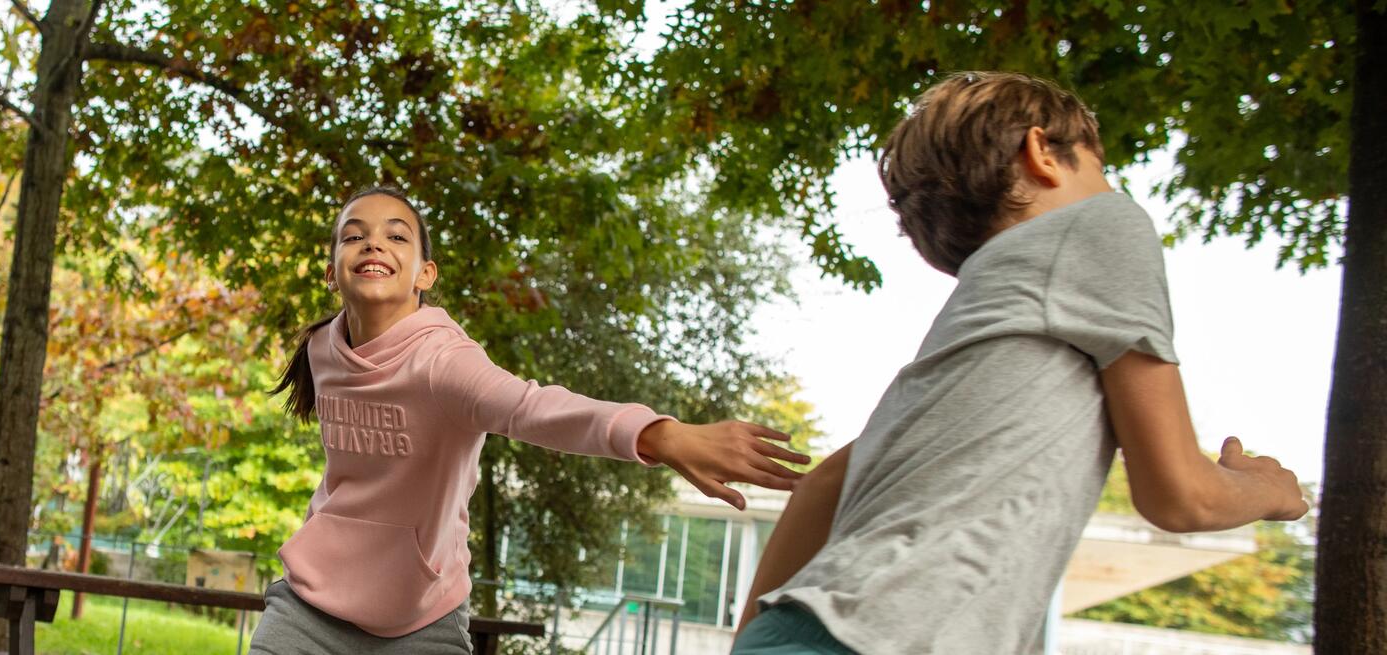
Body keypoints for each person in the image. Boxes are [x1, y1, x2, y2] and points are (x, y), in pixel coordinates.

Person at [730, 72, 1310, 654]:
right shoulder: (1102, 224)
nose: (1108, 189)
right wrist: (1267, 489)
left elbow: (822, 486)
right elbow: (1183, 496)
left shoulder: (983, 330)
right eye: (1098, 170)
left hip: (797, 634)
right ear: (1041, 153)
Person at [248, 186, 813, 654]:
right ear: (332, 272)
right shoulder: (323, 347)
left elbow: (533, 408)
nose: (375, 242)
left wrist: (658, 434)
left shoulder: (444, 364)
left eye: (398, 235)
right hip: (311, 607)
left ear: (425, 274)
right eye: (355, 234)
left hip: (419, 620)